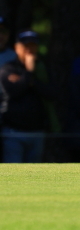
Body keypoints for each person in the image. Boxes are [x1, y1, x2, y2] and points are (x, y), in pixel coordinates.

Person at [0, 31, 51, 162]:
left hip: (37, 131)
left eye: (33, 46)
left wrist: (29, 80)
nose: (29, 50)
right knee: (14, 175)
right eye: (25, 46)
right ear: (17, 48)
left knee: (33, 177)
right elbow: (15, 92)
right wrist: (29, 72)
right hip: (13, 132)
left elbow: (52, 93)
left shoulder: (43, 68)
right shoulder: (8, 69)